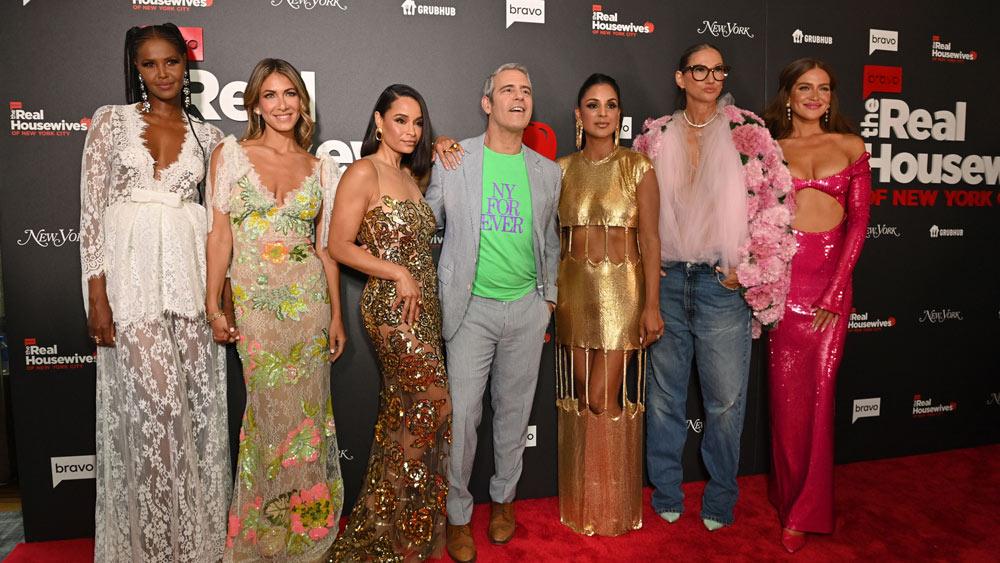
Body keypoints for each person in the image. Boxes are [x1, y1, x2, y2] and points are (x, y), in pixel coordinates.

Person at [80, 23, 230, 562]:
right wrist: (97, 296)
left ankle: (194, 543)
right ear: (136, 68)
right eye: (149, 64)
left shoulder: (210, 136)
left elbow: (220, 224)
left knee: (193, 410)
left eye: (172, 61)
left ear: (186, 65)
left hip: (190, 281)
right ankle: (153, 546)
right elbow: (91, 213)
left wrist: (221, 298)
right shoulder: (111, 123)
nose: (162, 73)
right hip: (131, 283)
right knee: (155, 411)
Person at [633, 43, 795, 532]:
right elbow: (632, 209)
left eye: (717, 70)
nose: (709, 78)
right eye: (699, 70)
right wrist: (646, 267)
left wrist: (750, 267)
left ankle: (721, 496)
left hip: (721, 286)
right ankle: (666, 490)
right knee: (664, 398)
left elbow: (777, 203)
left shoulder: (750, 132)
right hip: (667, 281)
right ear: (680, 77)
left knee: (724, 402)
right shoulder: (656, 137)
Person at [205, 58, 345, 561]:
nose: (281, 104)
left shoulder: (322, 168)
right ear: (255, 104)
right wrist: (212, 303)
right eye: (270, 95)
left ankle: (306, 527)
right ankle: (264, 527)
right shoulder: (230, 155)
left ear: (301, 103)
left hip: (309, 305)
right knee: (266, 416)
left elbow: (326, 249)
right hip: (255, 306)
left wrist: (336, 315)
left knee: (309, 417)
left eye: (290, 94)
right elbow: (219, 236)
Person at [423, 63, 561, 563]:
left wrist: (548, 301)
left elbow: (550, 241)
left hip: (526, 309)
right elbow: (424, 222)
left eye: (526, 90)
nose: (518, 98)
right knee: (462, 418)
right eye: (507, 90)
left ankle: (504, 500)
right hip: (470, 310)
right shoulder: (455, 160)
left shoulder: (548, 172)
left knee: (514, 414)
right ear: (488, 103)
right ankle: (458, 515)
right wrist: (430, 149)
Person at [325, 84, 450, 561]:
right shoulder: (363, 171)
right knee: (431, 406)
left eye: (418, 123)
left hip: (425, 309)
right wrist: (396, 271)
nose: (411, 131)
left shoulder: (411, 176)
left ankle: (396, 527)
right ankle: (397, 533)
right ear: (378, 122)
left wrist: (444, 144)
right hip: (389, 309)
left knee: (404, 416)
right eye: (400, 120)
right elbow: (339, 245)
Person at [762, 58, 870, 553]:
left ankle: (806, 510)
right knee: (787, 404)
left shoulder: (851, 146)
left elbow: (859, 223)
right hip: (785, 286)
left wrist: (835, 290)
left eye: (823, 89)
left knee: (821, 398)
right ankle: (788, 498)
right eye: (804, 87)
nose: (814, 96)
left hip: (831, 288)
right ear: (788, 95)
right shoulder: (770, 149)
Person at [554, 73, 662, 536]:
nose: (603, 113)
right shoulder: (560, 169)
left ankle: (611, 503)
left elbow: (652, 241)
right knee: (585, 399)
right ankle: (591, 498)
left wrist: (652, 306)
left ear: (620, 114)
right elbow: (548, 241)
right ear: (579, 115)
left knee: (603, 398)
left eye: (611, 105)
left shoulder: (638, 167)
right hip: (574, 299)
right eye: (593, 105)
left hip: (623, 298)